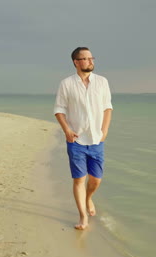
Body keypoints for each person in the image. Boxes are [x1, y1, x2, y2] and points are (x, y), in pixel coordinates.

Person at [54, 47, 113, 230]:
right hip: (76, 140)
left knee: (96, 180)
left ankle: (89, 198)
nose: (90, 61)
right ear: (76, 62)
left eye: (91, 58)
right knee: (79, 180)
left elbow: (107, 108)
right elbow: (59, 110)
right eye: (85, 58)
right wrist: (67, 130)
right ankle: (83, 217)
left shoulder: (102, 82)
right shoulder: (66, 84)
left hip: (97, 139)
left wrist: (104, 130)